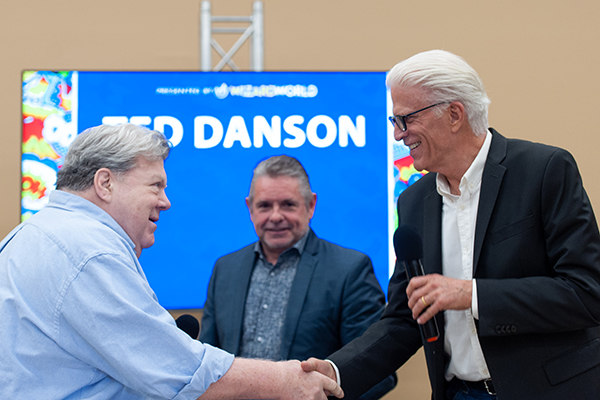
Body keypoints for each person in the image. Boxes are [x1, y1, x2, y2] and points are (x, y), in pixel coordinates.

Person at [302, 50, 600, 400]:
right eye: (394, 121)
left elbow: (587, 292)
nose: (398, 135)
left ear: (454, 114)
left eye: (406, 120)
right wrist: (337, 371)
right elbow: (404, 319)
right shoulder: (413, 202)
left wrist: (470, 295)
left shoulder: (544, 170)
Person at [0, 124, 342, 400]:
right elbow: (181, 374)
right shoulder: (89, 252)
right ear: (105, 183)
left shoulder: (30, 235)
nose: (165, 201)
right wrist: (287, 380)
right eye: (156, 185)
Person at [200, 155, 396, 400]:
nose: (275, 216)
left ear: (311, 205)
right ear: (250, 208)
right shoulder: (225, 269)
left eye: (288, 205)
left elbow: (377, 371)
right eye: (264, 206)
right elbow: (206, 367)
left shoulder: (349, 270)